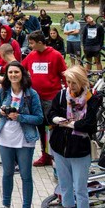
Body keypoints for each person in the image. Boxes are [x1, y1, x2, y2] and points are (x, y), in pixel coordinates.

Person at [0, 61, 43, 208]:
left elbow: (39, 118)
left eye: (16, 72)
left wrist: (20, 117)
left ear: (22, 74)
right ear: (7, 75)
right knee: (7, 173)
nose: (13, 75)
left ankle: (26, 205)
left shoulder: (31, 94)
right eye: (10, 72)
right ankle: (6, 204)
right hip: (5, 137)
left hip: (25, 139)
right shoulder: (3, 91)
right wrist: (1, 112)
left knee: (26, 175)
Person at [48, 67, 98, 208]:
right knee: (65, 186)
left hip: (80, 151)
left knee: (80, 189)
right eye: (68, 82)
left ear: (82, 82)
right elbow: (50, 114)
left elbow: (89, 125)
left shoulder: (91, 99)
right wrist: (56, 119)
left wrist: (70, 124)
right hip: (60, 148)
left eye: (74, 83)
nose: (70, 86)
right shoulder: (61, 95)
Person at [22, 30, 67, 167]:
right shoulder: (31, 56)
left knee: (52, 127)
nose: (30, 46)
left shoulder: (56, 55)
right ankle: (45, 155)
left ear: (40, 42)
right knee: (41, 128)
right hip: (36, 99)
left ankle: (56, 155)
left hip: (52, 98)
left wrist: (67, 93)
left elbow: (64, 74)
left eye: (32, 43)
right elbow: (21, 68)